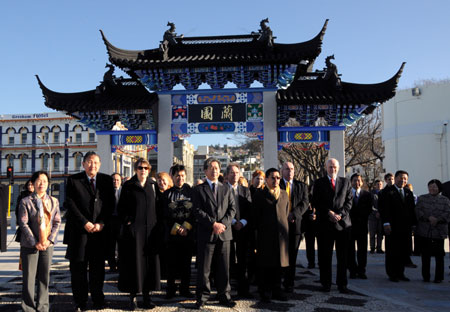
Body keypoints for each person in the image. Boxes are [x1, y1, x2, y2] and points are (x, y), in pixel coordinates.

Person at [63, 151, 115, 311]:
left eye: (96, 162)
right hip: (79, 232)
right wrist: (84, 223)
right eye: (90, 162)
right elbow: (70, 204)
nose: (93, 165)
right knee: (78, 270)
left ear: (99, 165)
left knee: (97, 269)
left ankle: (98, 299)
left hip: (99, 233)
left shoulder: (106, 180)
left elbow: (110, 205)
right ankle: (80, 301)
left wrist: (101, 223)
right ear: (84, 164)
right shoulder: (73, 180)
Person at [118, 158, 162, 310]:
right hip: (135, 233)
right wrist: (128, 222)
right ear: (135, 169)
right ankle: (133, 298)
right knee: (134, 265)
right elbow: (121, 208)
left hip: (150, 232)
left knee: (148, 265)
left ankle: (147, 297)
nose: (143, 170)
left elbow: (159, 206)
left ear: (149, 170)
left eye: (145, 168)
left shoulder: (153, 185)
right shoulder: (129, 185)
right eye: (140, 168)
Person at [192, 158, 236, 309]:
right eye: (211, 168)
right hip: (207, 233)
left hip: (224, 234)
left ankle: (224, 295)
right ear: (205, 171)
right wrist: (213, 224)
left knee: (224, 268)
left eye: (217, 168)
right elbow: (197, 211)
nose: (214, 170)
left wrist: (222, 224)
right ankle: (202, 297)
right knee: (204, 269)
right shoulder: (198, 190)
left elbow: (232, 209)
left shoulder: (226, 189)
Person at [18, 171, 61, 312]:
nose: (41, 183)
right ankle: (28, 308)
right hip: (30, 245)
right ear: (33, 183)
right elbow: (23, 223)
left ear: (48, 184)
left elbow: (57, 222)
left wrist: (49, 240)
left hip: (47, 246)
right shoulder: (25, 201)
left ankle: (43, 307)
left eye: (44, 181)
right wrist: (35, 242)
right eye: (38, 180)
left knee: (44, 277)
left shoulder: (54, 201)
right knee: (29, 278)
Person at [312, 158, 352, 293]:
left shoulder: (346, 182)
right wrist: (329, 213)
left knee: (343, 257)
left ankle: (342, 284)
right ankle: (326, 284)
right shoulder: (319, 183)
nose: (332, 169)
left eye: (334, 167)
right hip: (325, 224)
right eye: (330, 167)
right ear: (326, 168)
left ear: (339, 168)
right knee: (325, 257)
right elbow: (316, 201)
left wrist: (339, 214)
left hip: (342, 225)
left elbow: (349, 201)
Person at [252, 168, 289, 303]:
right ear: (266, 179)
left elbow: (285, 213)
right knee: (266, 265)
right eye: (272, 178)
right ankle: (265, 291)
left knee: (279, 266)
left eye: (278, 178)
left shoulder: (284, 194)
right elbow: (255, 217)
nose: (275, 180)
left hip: (281, 237)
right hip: (265, 237)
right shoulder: (259, 195)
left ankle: (277, 290)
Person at [163, 164, 195, 299]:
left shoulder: (192, 192)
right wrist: (176, 228)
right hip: (172, 235)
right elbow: (163, 215)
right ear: (172, 177)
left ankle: (185, 289)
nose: (180, 178)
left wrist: (186, 227)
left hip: (187, 235)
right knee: (171, 264)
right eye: (177, 176)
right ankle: (170, 289)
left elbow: (195, 212)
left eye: (182, 175)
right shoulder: (167, 194)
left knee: (186, 265)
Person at [379, 170, 417, 282]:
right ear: (395, 178)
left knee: (403, 251)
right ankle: (392, 273)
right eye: (401, 178)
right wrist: (386, 223)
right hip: (392, 227)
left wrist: (414, 224)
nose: (403, 180)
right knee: (392, 251)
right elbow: (384, 209)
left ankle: (401, 273)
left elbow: (412, 210)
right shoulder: (387, 192)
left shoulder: (408, 192)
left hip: (405, 227)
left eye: (405, 178)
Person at [279, 162, 309, 292]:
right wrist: (285, 215)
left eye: (292, 169)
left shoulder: (301, 186)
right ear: (282, 171)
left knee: (292, 255)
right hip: (280, 226)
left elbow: (305, 202)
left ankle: (289, 283)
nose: (289, 171)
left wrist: (294, 214)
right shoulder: (276, 184)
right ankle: (278, 281)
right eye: (287, 169)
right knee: (280, 254)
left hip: (295, 225)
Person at [225, 163, 253, 298]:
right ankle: (226, 292)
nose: (235, 175)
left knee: (244, 261)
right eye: (232, 172)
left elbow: (249, 209)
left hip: (243, 230)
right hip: (227, 229)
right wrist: (233, 221)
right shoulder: (222, 190)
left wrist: (242, 222)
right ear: (226, 175)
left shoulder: (245, 190)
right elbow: (221, 210)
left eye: (237, 172)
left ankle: (244, 290)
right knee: (227, 261)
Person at [415, 179, 450, 283]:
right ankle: (426, 276)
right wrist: (428, 218)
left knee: (439, 256)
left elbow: (447, 213)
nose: (432, 188)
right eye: (430, 186)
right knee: (425, 256)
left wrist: (437, 219)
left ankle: (438, 277)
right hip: (425, 231)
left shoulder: (445, 200)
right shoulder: (422, 198)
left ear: (439, 188)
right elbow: (418, 210)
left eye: (435, 187)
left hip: (439, 232)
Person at [347, 173, 373, 279]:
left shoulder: (367, 195)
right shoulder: (347, 194)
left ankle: (362, 270)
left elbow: (369, 209)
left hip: (362, 226)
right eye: (354, 180)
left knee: (362, 250)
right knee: (350, 250)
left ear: (361, 182)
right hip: (350, 226)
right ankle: (352, 270)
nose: (356, 183)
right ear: (351, 182)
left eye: (358, 180)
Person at [106, 173, 122, 272]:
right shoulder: (107, 192)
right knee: (110, 245)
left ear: (121, 181)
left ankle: (120, 265)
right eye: (113, 180)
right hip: (110, 221)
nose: (115, 182)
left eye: (117, 180)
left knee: (121, 245)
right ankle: (112, 265)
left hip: (121, 221)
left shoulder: (125, 191)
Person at [368, 179, 384, 254]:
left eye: (380, 184)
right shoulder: (371, 194)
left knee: (380, 233)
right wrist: (375, 212)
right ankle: (372, 248)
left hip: (381, 216)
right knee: (372, 233)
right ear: (375, 185)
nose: (379, 186)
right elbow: (369, 205)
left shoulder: (384, 193)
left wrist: (380, 212)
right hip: (372, 217)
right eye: (378, 184)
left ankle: (379, 248)